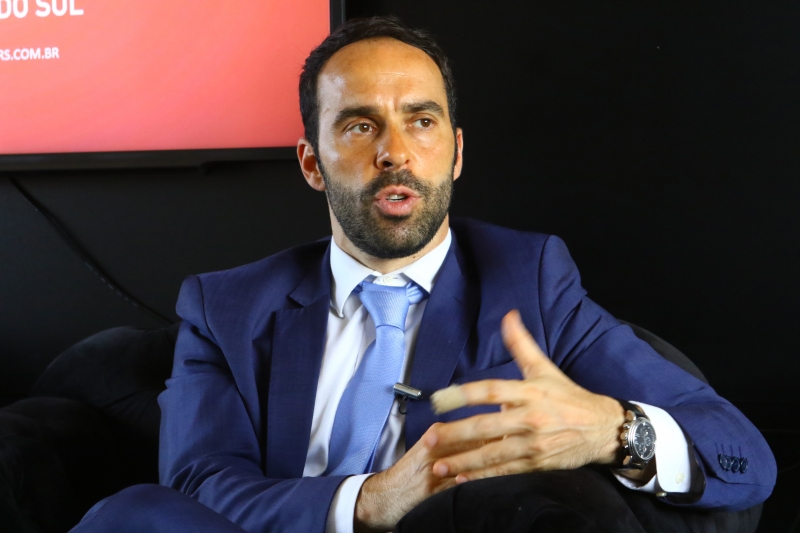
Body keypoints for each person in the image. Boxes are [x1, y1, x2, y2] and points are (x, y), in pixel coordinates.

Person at [70, 16, 775, 533]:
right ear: (312, 163)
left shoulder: (530, 281)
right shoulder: (225, 304)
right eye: (360, 126)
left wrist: (613, 430)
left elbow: (742, 452)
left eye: (422, 121)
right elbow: (199, 483)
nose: (396, 153)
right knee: (133, 514)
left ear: (456, 153)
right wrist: (373, 500)